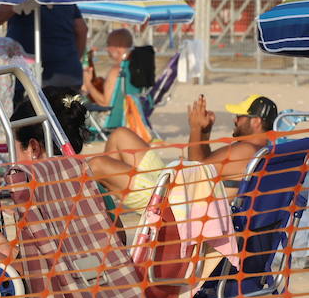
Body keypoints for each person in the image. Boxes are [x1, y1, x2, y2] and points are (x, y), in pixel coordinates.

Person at [89, 94, 278, 221]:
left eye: (240, 116)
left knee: (97, 165)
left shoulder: (246, 150)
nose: (235, 120)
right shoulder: (260, 150)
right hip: (183, 192)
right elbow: (205, 166)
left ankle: (109, 222)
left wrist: (195, 128)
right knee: (120, 135)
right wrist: (204, 132)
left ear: (256, 121)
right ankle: (111, 215)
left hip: (176, 207)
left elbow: (195, 169)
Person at [0, 3, 87, 89]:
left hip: (29, 72)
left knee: (25, 122)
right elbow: (82, 29)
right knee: (68, 122)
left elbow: (7, 8)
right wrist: (74, 58)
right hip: (68, 72)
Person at [82, 28, 136, 128]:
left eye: (109, 44)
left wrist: (88, 84)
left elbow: (105, 103)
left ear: (119, 46)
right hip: (126, 117)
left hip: (107, 121)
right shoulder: (134, 68)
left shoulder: (116, 71)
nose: (107, 49)